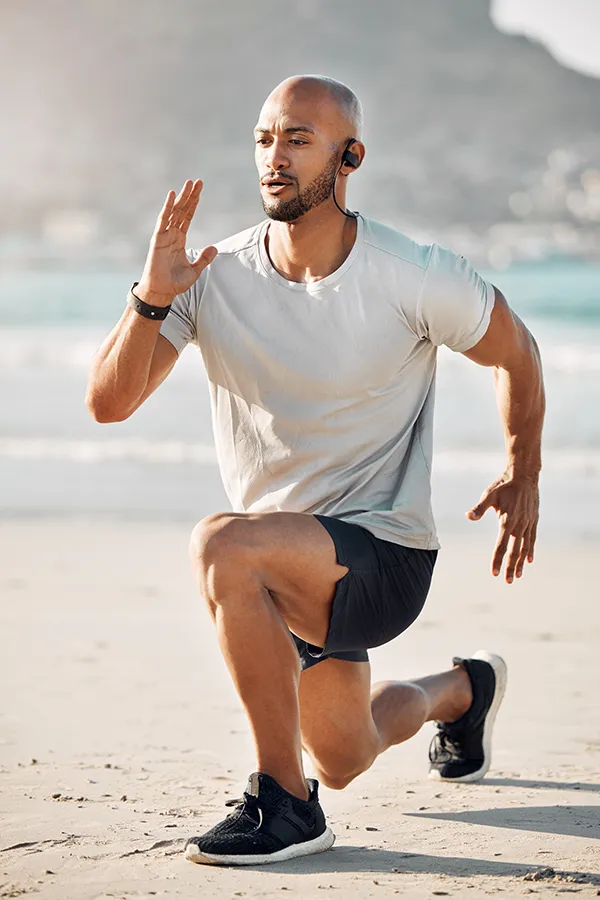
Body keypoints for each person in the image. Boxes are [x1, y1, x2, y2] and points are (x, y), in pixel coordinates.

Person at [86, 74, 544, 867]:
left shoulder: (413, 272)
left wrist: (522, 467)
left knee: (221, 544)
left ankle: (285, 803)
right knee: (347, 752)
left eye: (299, 139)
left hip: (382, 556)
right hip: (285, 575)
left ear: (350, 156)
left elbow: (518, 352)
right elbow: (110, 404)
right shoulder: (214, 276)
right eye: (265, 139)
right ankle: (462, 692)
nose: (275, 157)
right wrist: (152, 298)